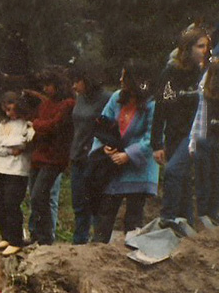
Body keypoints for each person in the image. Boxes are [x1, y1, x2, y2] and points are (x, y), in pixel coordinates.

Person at [91, 62, 159, 243]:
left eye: (125, 76)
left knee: (134, 213)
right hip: (115, 164)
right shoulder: (116, 98)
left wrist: (128, 154)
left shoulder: (152, 104)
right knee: (107, 208)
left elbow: (153, 136)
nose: (120, 80)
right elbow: (103, 124)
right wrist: (104, 146)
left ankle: (132, 250)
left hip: (139, 166)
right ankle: (97, 248)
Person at [154, 26, 209, 225]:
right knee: (183, 182)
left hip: (196, 133)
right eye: (200, 46)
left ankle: (167, 218)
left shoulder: (205, 72)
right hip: (174, 134)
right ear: (188, 48)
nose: (204, 51)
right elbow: (160, 108)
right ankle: (185, 226)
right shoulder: (171, 72)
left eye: (206, 46)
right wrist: (156, 143)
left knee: (173, 172)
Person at [24, 68, 75, 245]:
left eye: (48, 85)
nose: (45, 89)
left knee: (40, 195)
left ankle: (46, 237)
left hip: (54, 158)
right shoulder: (45, 104)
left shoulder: (68, 104)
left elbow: (55, 125)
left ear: (58, 85)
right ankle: (37, 235)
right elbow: (35, 120)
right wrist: (38, 126)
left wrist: (37, 126)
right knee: (35, 197)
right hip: (38, 156)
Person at [68, 63, 113, 244]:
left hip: (95, 158)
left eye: (77, 81)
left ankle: (99, 241)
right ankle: (79, 240)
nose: (74, 86)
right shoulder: (80, 98)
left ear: (88, 80)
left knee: (96, 202)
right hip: (77, 155)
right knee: (78, 201)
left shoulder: (106, 99)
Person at [0, 91, 35, 256]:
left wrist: (6, 145)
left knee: (11, 203)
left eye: (10, 109)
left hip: (17, 171)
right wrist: (8, 150)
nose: (8, 113)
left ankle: (16, 240)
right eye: (5, 110)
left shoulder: (27, 125)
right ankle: (6, 236)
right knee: (0, 204)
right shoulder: (3, 125)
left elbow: (23, 143)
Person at [190, 55, 219, 223]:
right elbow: (199, 117)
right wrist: (193, 142)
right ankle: (204, 216)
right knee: (205, 180)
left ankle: (212, 213)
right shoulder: (204, 90)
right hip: (206, 139)